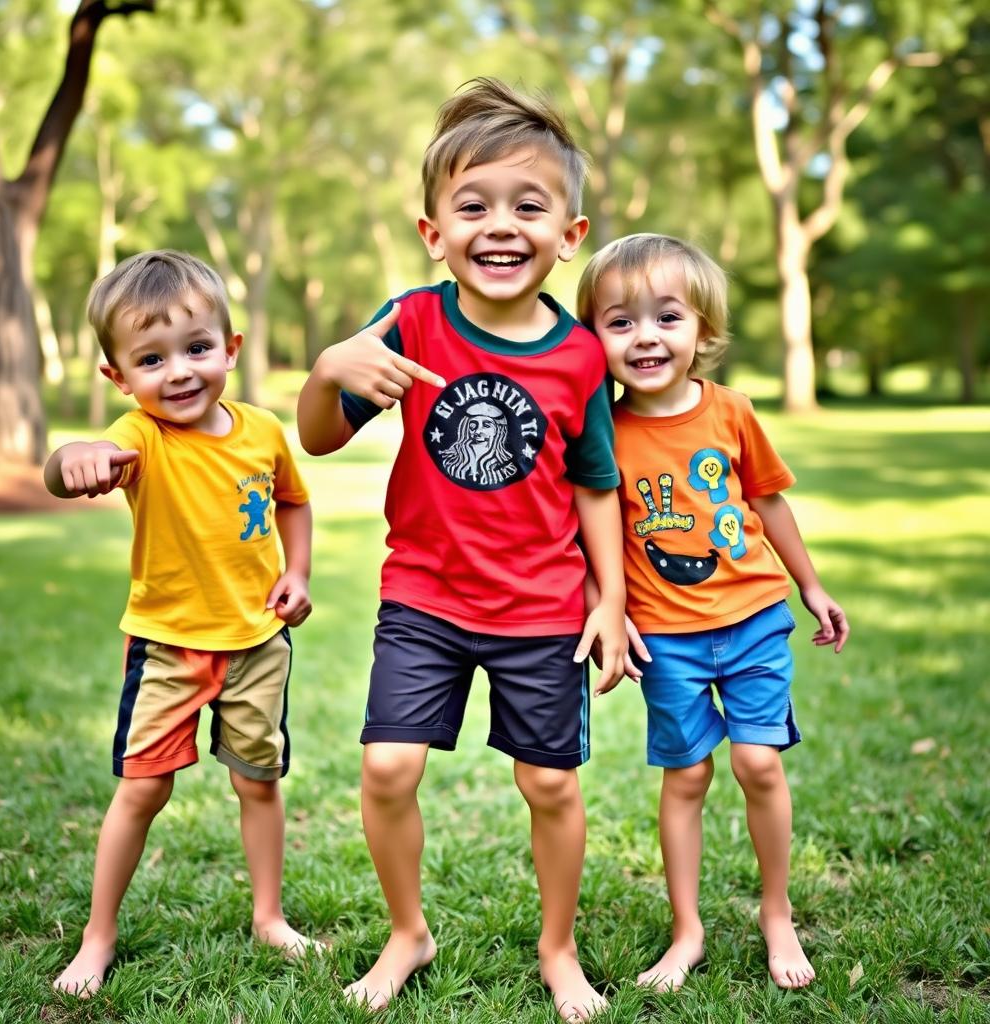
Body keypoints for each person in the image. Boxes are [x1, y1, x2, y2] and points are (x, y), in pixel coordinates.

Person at [297, 78, 626, 1020]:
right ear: (433, 231)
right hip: (426, 598)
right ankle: (409, 932)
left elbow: (594, 483)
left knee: (550, 781)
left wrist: (610, 600)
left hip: (542, 606)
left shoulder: (578, 358)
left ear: (569, 235)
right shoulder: (413, 322)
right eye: (473, 206)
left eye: (529, 205)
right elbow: (319, 438)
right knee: (388, 768)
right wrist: (329, 370)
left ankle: (557, 948)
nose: (500, 225)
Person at [576, 233, 849, 992]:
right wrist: (607, 607)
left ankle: (776, 911)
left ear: (702, 329)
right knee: (688, 775)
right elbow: (589, 533)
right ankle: (687, 930)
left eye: (667, 317)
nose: (646, 337)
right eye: (619, 321)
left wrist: (812, 586)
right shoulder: (604, 433)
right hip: (667, 634)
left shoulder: (732, 412)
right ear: (592, 335)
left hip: (755, 616)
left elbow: (768, 500)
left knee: (758, 762)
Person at [44, 250, 317, 997]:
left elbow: (293, 501)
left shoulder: (261, 431)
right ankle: (98, 937)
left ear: (230, 348)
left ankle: (269, 917)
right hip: (168, 647)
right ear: (119, 378)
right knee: (142, 790)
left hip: (259, 642)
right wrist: (77, 458)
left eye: (197, 348)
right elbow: (75, 457)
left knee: (257, 781)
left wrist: (297, 573)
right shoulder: (140, 436)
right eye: (151, 359)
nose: (180, 372)